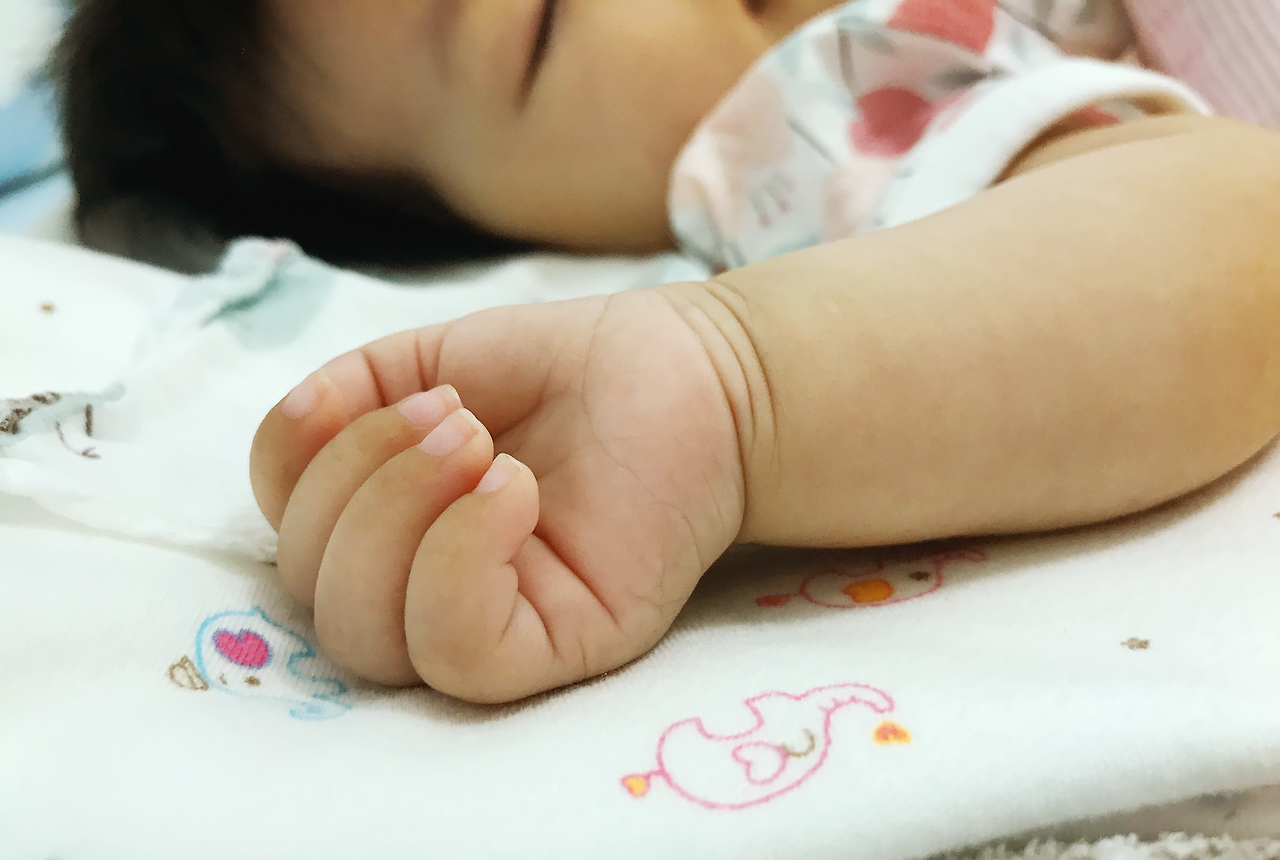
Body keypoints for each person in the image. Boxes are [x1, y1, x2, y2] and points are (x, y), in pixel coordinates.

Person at [58, 0, 1280, 703]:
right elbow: (1230, 232)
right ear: (511, 227)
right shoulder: (820, 99)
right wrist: (735, 385)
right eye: (544, 22)